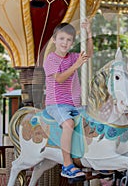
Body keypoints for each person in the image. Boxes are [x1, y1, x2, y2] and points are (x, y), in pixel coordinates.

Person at [43, 20, 93, 179]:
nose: (65, 42)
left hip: (74, 104)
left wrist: (89, 33)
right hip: (56, 104)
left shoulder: (72, 57)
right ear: (54, 40)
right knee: (69, 124)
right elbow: (59, 79)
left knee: (93, 120)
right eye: (62, 39)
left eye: (69, 40)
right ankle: (67, 164)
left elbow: (89, 53)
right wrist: (76, 65)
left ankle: (94, 158)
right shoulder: (51, 59)